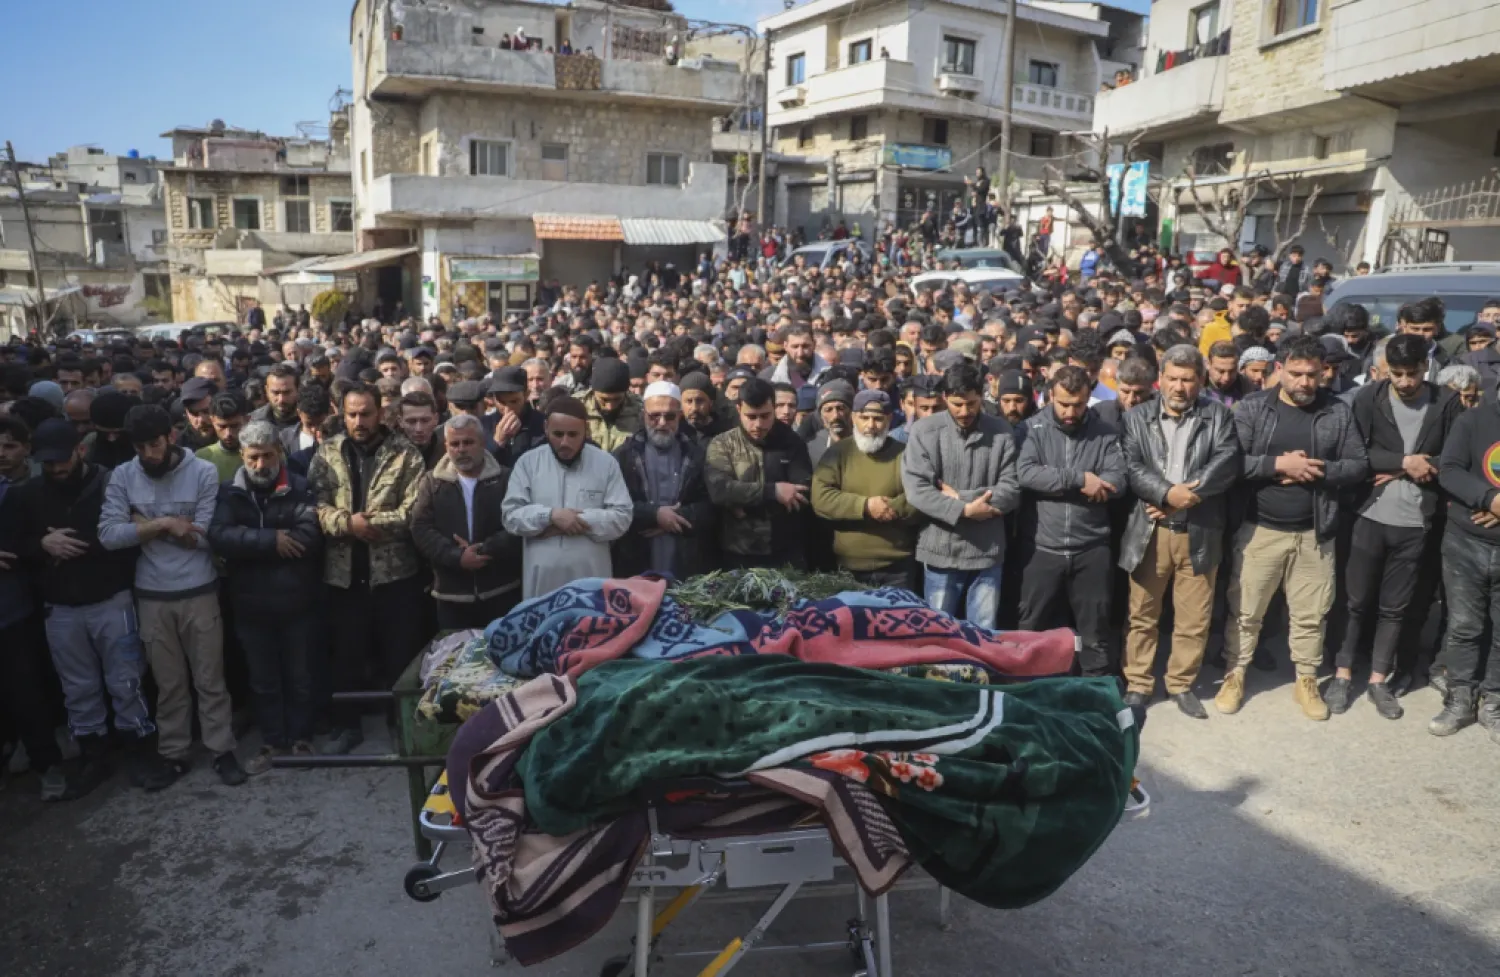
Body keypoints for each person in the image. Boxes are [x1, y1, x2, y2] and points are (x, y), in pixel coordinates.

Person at [1217, 336, 1369, 720]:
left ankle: (1306, 679)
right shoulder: (1252, 410)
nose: (1304, 383)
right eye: (1297, 374)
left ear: (1324, 373)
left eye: (1313, 376)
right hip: (1260, 529)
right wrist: (1277, 466)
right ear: (1278, 369)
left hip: (1315, 532)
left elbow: (1357, 464)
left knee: (1310, 612)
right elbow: (1230, 464)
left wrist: (1317, 471)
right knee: (1246, 610)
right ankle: (1235, 674)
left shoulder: (1337, 412)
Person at [98, 404, 246, 787]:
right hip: (151, 596)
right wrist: (166, 523)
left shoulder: (203, 472)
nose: (149, 454)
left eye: (155, 444)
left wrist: (142, 525)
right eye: (141, 447)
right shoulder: (123, 476)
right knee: (168, 683)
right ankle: (174, 753)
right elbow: (108, 536)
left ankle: (221, 748)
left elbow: (204, 538)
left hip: (199, 590)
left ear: (171, 437)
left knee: (210, 678)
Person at [15, 418, 154, 797]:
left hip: (111, 597)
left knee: (126, 679)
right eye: (48, 463)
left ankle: (139, 750)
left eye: (62, 459)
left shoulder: (110, 484)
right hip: (60, 606)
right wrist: (42, 547)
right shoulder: (27, 495)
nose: (57, 469)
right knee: (78, 688)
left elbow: (132, 531)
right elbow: (15, 547)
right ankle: (94, 754)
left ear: (80, 449)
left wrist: (85, 544)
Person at [1328, 333, 1462, 718]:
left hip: (1416, 522)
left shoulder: (1446, 402)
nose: (1404, 382)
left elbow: (1453, 458)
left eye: (1411, 374)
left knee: (1395, 607)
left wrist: (1427, 465)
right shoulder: (1370, 397)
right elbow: (1355, 452)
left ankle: (1378, 679)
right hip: (1368, 516)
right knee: (1355, 602)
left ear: (1427, 368)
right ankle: (1342, 672)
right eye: (1397, 373)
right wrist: (1403, 462)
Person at [1118, 346, 1241, 718]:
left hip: (1199, 530)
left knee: (1193, 617)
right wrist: (1164, 493)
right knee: (1142, 613)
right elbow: (1132, 464)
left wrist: (1182, 496)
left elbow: (1227, 462)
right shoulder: (1138, 417)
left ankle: (1181, 683)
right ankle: (1139, 683)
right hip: (1150, 531)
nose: (1179, 387)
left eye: (1188, 380)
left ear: (1200, 382)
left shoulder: (1217, 416)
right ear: (1161, 379)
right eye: (1172, 378)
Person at [308, 382, 428, 755]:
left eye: (366, 413)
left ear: (380, 413)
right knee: (346, 654)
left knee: (400, 655)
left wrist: (370, 524)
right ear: (342, 414)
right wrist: (347, 524)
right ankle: (348, 725)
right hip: (344, 572)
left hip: (394, 573)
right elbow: (314, 504)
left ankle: (402, 725)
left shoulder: (405, 454)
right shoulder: (327, 453)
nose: (359, 421)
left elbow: (414, 510)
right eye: (352, 414)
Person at [208, 421, 323, 774]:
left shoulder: (302, 488)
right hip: (250, 605)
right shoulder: (229, 493)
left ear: (280, 453)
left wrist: (250, 540)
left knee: (300, 675)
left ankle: (302, 739)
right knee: (263, 679)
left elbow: (308, 537)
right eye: (254, 457)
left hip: (297, 602)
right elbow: (220, 536)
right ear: (242, 456)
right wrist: (271, 540)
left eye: (268, 456)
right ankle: (272, 741)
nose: (261, 465)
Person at [1014, 366, 1127, 678]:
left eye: (1077, 404)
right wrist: (1079, 480)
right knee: (1032, 630)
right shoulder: (1030, 429)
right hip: (1041, 547)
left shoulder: (1105, 433)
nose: (1069, 411)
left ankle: (1099, 698)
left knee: (1095, 633)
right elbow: (1026, 473)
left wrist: (1097, 484)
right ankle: (1031, 693)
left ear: (1088, 398)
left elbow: (1117, 479)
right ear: (1051, 396)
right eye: (1063, 404)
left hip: (1091, 548)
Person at [901, 363, 1021, 629]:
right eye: (957, 404)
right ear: (945, 398)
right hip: (941, 550)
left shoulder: (1001, 431)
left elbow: (1011, 488)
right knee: (939, 634)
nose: (965, 411)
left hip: (987, 552)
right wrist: (966, 511)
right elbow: (917, 490)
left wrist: (959, 498)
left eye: (971, 403)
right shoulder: (925, 432)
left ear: (982, 396)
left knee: (984, 633)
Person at [502, 395, 632, 599]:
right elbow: (510, 516)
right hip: (541, 586)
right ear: (546, 428)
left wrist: (575, 521)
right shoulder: (528, 463)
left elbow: (622, 516)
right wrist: (550, 516)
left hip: (592, 585)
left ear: (586, 430)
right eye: (558, 434)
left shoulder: (605, 464)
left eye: (573, 434)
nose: (565, 442)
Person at [1430, 368, 1500, 737]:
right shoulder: (1473, 421)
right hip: (1466, 542)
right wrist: (1489, 498)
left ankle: (1494, 703)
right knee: (1463, 627)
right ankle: (1459, 698)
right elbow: (1451, 470)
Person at [411, 413, 523, 630]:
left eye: (468, 442)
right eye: (455, 444)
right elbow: (420, 528)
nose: (461, 449)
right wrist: (457, 557)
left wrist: (485, 550)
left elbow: (518, 525)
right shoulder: (431, 483)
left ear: (482, 442)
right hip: (452, 597)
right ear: (446, 446)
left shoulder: (506, 479)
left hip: (501, 591)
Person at [811, 389, 918, 587]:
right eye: (864, 418)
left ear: (889, 419)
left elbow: (919, 495)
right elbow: (821, 498)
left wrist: (891, 509)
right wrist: (865, 506)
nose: (871, 426)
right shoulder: (837, 454)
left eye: (878, 419)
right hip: (849, 567)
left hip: (897, 567)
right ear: (853, 418)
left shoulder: (906, 454)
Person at [705, 378, 814, 570]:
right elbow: (719, 491)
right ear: (739, 410)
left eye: (765, 416)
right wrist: (773, 492)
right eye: (751, 416)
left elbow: (801, 493)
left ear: (774, 409)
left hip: (786, 552)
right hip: (739, 552)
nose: (758, 424)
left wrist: (742, 502)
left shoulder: (792, 442)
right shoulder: (723, 444)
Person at [611, 381, 715, 578]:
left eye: (669, 416)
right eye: (654, 416)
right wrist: (654, 515)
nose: (661, 423)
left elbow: (709, 506)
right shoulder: (624, 455)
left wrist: (675, 519)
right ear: (644, 416)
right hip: (636, 555)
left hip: (684, 556)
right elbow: (615, 505)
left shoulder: (696, 455)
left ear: (680, 417)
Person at [483, 366, 546, 468]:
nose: (507, 409)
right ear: (494, 399)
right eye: (502, 402)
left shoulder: (543, 425)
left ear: (526, 395)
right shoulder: (483, 426)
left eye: (514, 402)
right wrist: (497, 442)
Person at [580, 358, 642, 453]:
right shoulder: (577, 407)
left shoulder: (641, 409)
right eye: (604, 400)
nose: (610, 407)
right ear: (593, 391)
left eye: (617, 399)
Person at [196, 391, 249, 482]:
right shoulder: (201, 458)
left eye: (234, 426)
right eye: (222, 427)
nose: (228, 433)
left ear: (247, 420)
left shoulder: (260, 456)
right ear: (212, 421)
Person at [807, 380, 854, 466]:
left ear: (852, 412)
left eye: (841, 408)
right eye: (828, 410)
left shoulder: (865, 444)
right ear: (820, 416)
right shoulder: (812, 449)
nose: (836, 416)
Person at [398, 391, 444, 470]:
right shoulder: (386, 454)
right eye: (411, 421)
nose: (419, 429)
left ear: (436, 419)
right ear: (400, 421)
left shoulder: (449, 451)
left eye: (425, 421)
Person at [251, 363, 300, 434]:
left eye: (287, 392)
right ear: (266, 391)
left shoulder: (312, 420)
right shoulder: (255, 421)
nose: (281, 399)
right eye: (275, 393)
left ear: (298, 390)